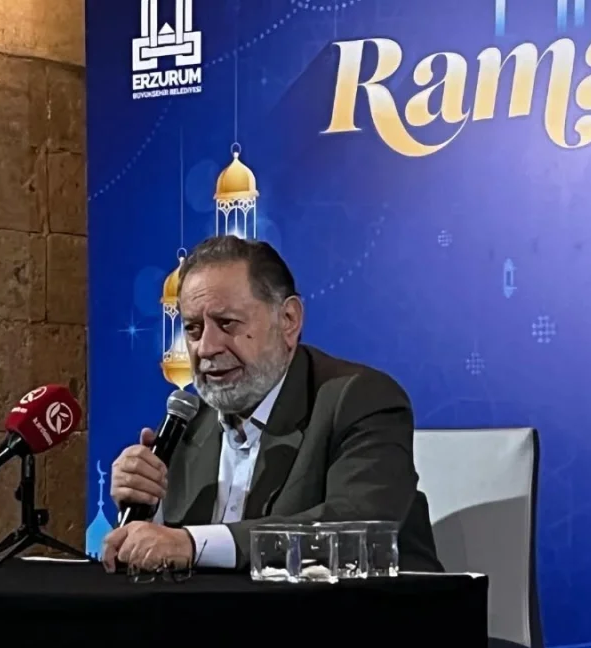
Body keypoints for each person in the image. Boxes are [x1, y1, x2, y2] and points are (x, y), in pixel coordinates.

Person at [101, 235, 444, 573]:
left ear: (288, 320)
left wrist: (192, 544)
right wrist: (148, 510)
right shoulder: (188, 424)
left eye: (227, 323)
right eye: (193, 329)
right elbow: (173, 547)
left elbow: (357, 530)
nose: (206, 347)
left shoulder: (360, 400)